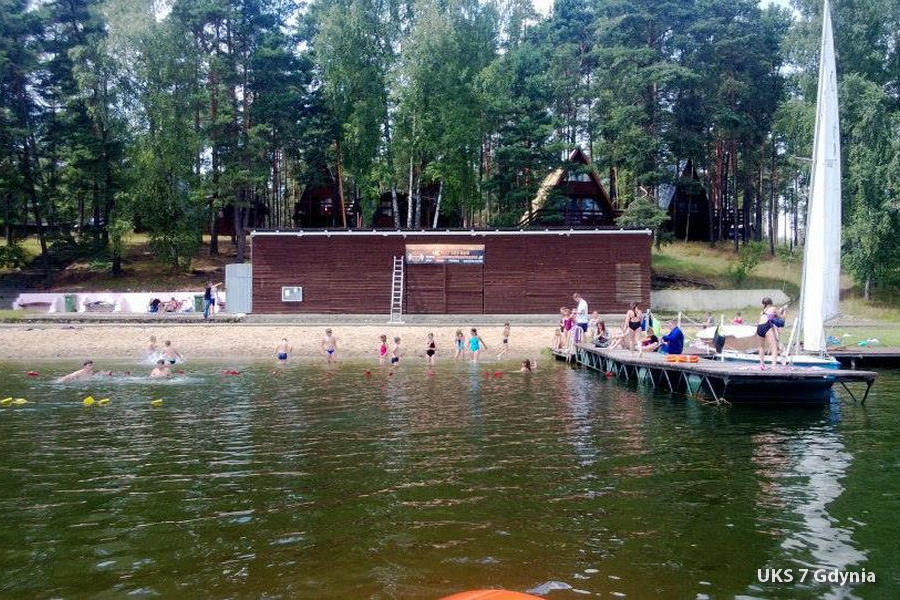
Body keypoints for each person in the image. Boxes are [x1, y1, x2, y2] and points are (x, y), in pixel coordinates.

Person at [756, 297, 786, 369]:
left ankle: (762, 364)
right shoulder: (773, 308)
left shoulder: (762, 311)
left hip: (759, 327)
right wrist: (785, 310)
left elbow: (771, 315)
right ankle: (773, 366)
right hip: (767, 326)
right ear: (771, 303)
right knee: (774, 347)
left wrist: (780, 309)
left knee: (761, 347)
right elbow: (782, 318)